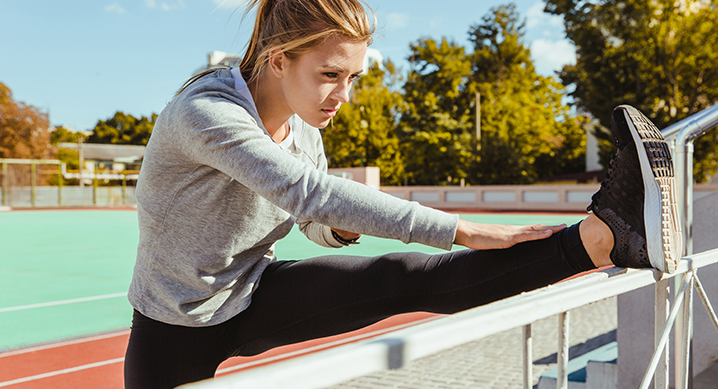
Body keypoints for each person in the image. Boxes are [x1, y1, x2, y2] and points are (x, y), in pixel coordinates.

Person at [123, 0, 681, 387]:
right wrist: (461, 229)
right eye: (330, 74)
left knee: (401, 276)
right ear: (277, 60)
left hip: (250, 293)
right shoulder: (206, 114)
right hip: (173, 322)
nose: (344, 94)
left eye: (354, 78)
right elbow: (310, 193)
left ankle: (600, 238)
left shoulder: (306, 127)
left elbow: (314, 220)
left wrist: (339, 229)